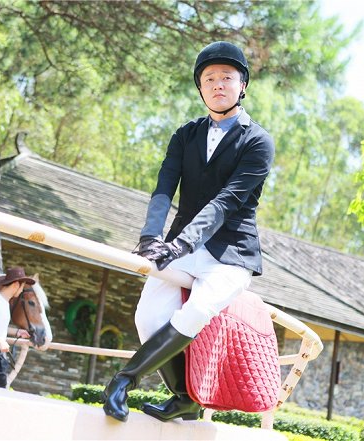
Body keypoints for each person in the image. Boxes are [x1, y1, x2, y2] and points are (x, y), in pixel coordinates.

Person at [103, 41, 275, 422]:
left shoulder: (258, 141)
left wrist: (180, 242)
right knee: (147, 319)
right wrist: (151, 236)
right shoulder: (186, 134)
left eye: (226, 78)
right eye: (209, 78)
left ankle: (122, 380)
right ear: (200, 87)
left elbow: (227, 201)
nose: (218, 84)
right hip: (181, 248)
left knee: (196, 310)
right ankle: (184, 397)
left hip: (230, 254)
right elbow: (164, 187)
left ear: (242, 84)